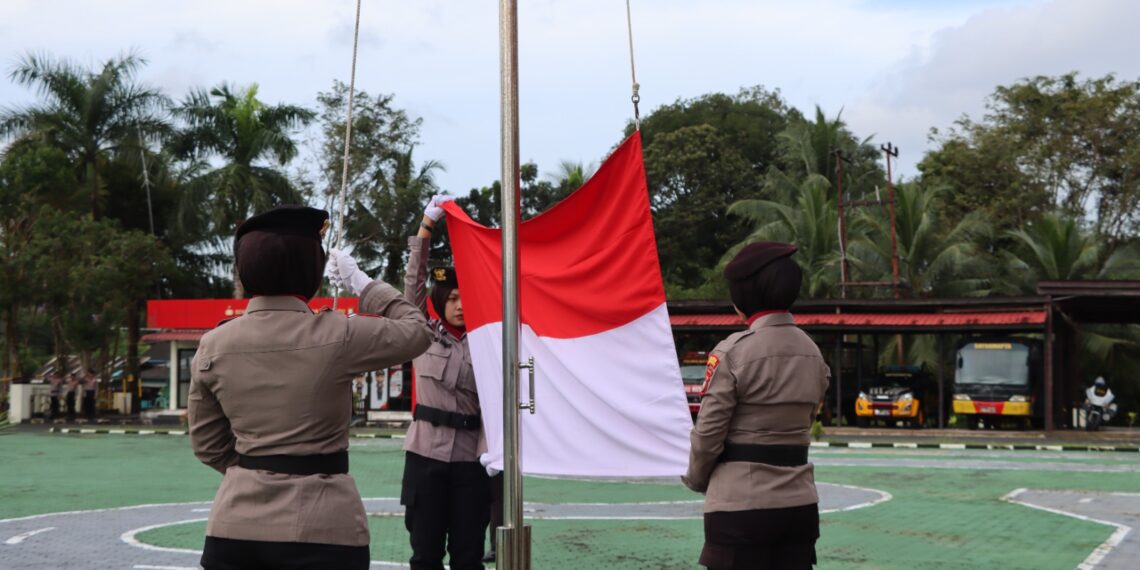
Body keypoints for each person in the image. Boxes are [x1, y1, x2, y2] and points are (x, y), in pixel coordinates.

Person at [189, 205, 432, 570]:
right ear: (312, 273)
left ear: (245, 272)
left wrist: (258, 470)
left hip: (235, 527)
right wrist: (363, 284)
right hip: (325, 527)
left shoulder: (213, 343)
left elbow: (207, 445)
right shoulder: (339, 333)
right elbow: (417, 330)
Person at [333, 194, 490, 570]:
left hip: (473, 459)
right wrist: (426, 227)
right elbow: (412, 287)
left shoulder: (491, 342)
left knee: (469, 557)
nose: (460, 305)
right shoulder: (423, 335)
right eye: (451, 298)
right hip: (426, 457)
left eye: (465, 297)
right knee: (425, 555)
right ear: (440, 300)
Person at [683, 242, 830, 570]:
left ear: (742, 299)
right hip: (800, 506)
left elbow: (708, 435)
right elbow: (806, 419)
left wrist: (695, 478)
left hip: (740, 508)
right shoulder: (813, 353)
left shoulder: (732, 352)